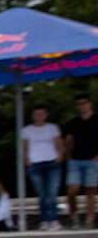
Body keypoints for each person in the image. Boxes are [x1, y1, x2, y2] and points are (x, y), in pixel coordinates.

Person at [18, 104, 63, 230]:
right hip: (35, 164)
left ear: (46, 114)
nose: (39, 116)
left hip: (52, 163)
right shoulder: (26, 130)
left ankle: (54, 220)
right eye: (37, 114)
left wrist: (60, 156)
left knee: (52, 193)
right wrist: (26, 160)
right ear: (33, 116)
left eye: (42, 113)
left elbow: (59, 143)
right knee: (42, 194)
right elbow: (24, 147)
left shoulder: (52, 128)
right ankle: (44, 221)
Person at [58, 93, 96, 230]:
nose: (82, 106)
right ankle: (74, 217)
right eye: (79, 104)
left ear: (90, 104)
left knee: (90, 192)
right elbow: (67, 140)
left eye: (84, 103)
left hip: (93, 159)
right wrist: (68, 156)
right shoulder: (73, 123)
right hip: (75, 160)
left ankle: (89, 220)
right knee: (72, 190)